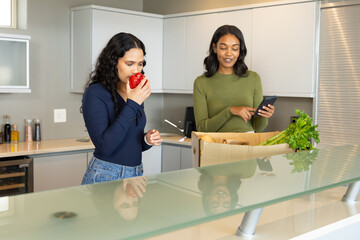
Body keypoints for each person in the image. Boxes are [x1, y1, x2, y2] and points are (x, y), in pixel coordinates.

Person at [81, 32, 161, 185]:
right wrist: (133, 103)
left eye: (140, 64)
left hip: (135, 173)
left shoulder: (133, 91)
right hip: (106, 174)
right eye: (129, 64)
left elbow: (129, 141)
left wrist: (146, 139)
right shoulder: (96, 93)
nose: (136, 71)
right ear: (113, 62)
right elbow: (105, 146)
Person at [193, 25, 275, 133]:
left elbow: (258, 128)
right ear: (214, 48)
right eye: (223, 48)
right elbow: (202, 128)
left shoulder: (253, 79)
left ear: (240, 50)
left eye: (235, 48)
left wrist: (265, 115)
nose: (229, 53)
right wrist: (230, 111)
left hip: (248, 145)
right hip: (217, 146)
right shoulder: (201, 83)